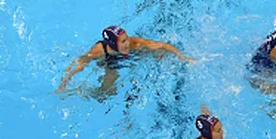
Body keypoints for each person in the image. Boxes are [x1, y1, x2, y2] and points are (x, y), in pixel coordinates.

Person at [56, 25, 193, 95]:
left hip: (131, 57)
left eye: (126, 39)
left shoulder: (134, 43)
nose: (127, 43)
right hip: (110, 62)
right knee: (106, 93)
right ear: (112, 44)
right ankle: (84, 92)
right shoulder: (99, 50)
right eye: (123, 41)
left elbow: (163, 45)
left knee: (160, 53)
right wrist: (66, 80)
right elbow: (82, 61)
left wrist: (184, 57)